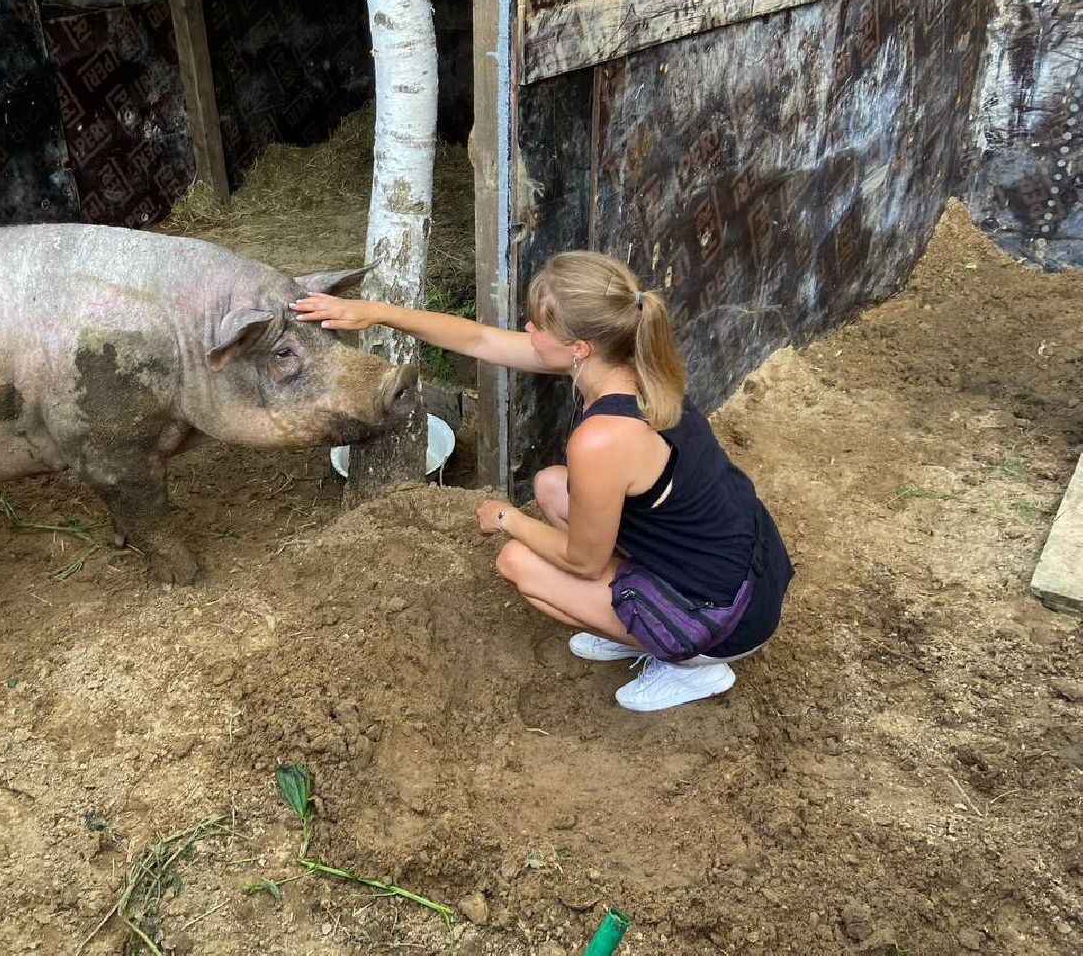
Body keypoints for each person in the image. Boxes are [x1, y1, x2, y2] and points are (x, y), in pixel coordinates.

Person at [291, 252, 793, 712]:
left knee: (519, 564)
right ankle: (631, 624)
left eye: (539, 325)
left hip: (725, 614)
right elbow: (479, 340)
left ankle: (690, 666)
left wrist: (506, 517)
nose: (527, 329)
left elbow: (582, 560)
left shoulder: (601, 439)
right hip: (740, 562)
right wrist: (372, 311)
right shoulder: (633, 365)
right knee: (554, 484)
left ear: (579, 347)